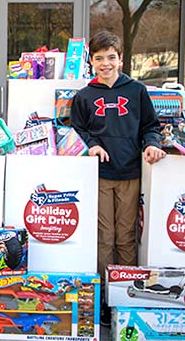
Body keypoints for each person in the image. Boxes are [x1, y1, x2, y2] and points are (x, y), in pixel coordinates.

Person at [70, 30, 166, 324]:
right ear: (91, 62)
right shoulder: (84, 96)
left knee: (126, 237)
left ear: (120, 58)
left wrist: (153, 144)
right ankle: (102, 301)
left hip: (130, 173)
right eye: (99, 59)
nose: (106, 63)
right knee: (104, 238)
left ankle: (126, 298)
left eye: (111, 57)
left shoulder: (137, 91)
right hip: (99, 176)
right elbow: (75, 131)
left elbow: (151, 126)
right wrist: (92, 145)